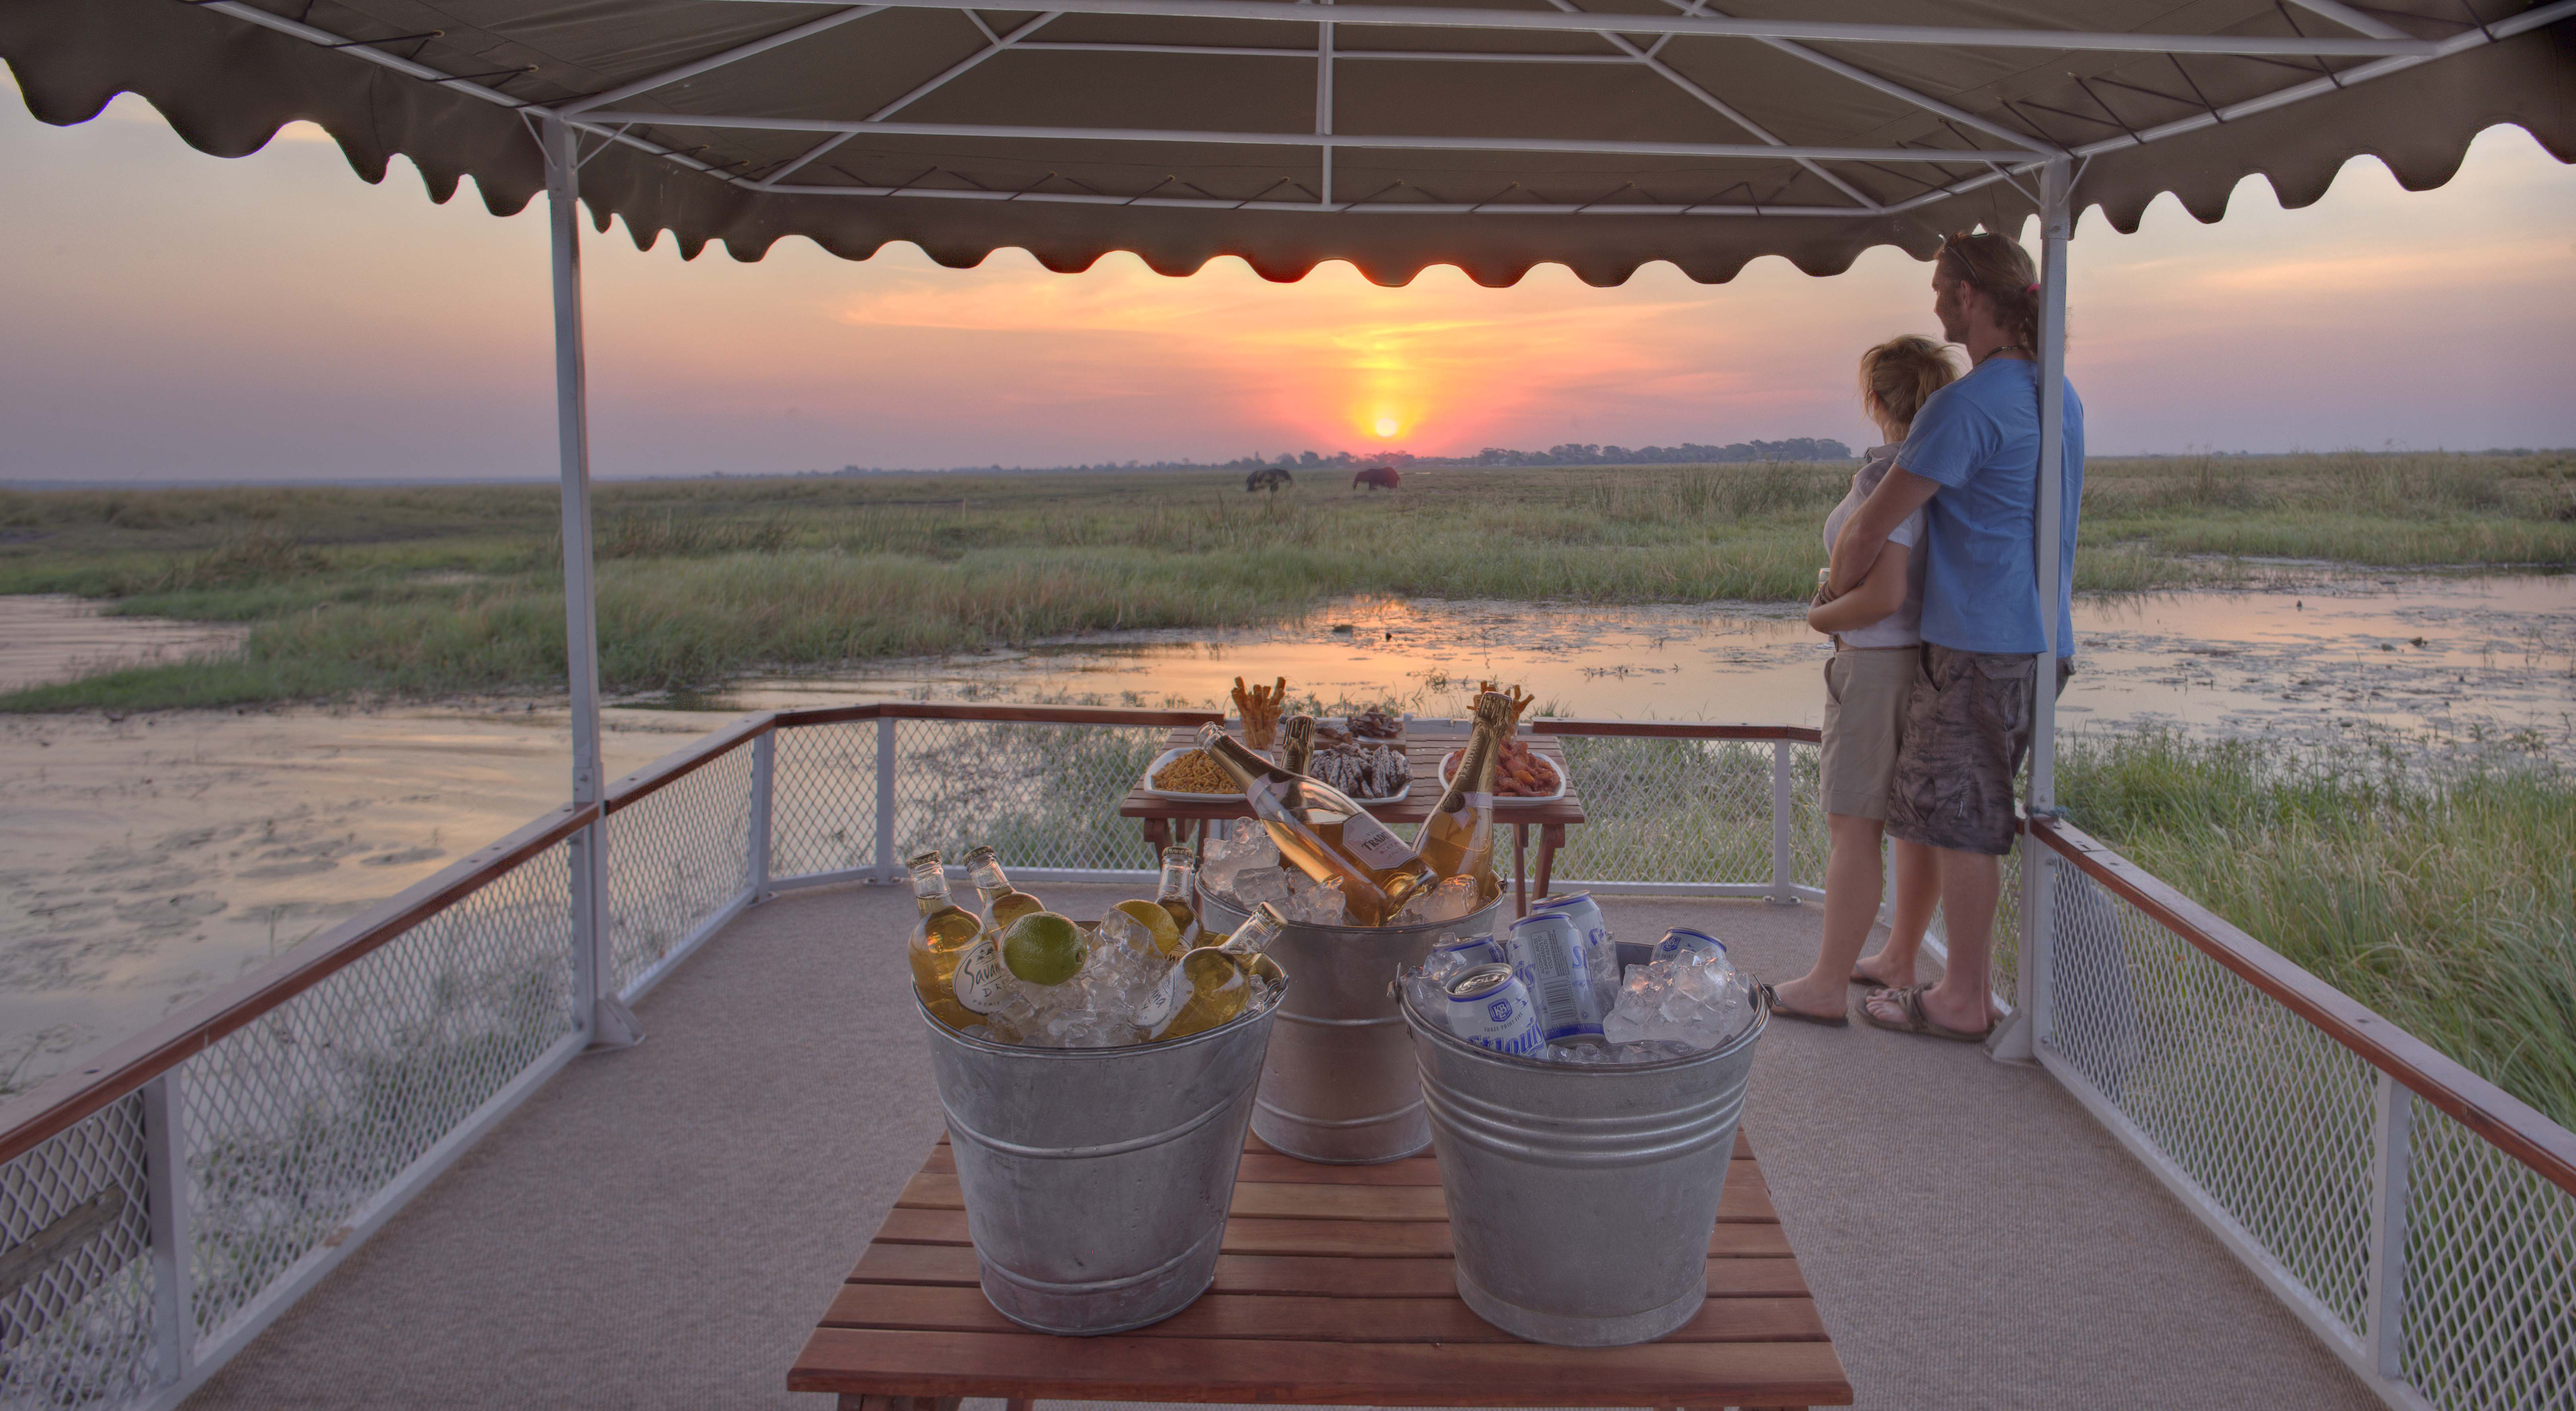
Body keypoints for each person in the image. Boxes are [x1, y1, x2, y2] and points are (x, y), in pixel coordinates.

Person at [1826, 229, 2085, 1044]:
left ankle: (1962, 997)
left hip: (1981, 641)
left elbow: (1872, 527)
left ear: (1969, 296)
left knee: (1962, 819)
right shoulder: (2053, 394)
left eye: (1941, 287)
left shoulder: (1966, 406)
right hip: (2039, 635)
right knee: (1948, 811)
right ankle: (1928, 969)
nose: (1934, 301)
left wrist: (1831, 592)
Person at [1764, 336, 1957, 1026]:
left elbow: (1884, 594)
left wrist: (1824, 619)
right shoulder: (1935, 468)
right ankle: (1900, 956)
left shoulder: (1894, 479)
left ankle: (1824, 985)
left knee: (1854, 826)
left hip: (1876, 662)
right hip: (1917, 660)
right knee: (1909, 827)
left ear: (1874, 399)